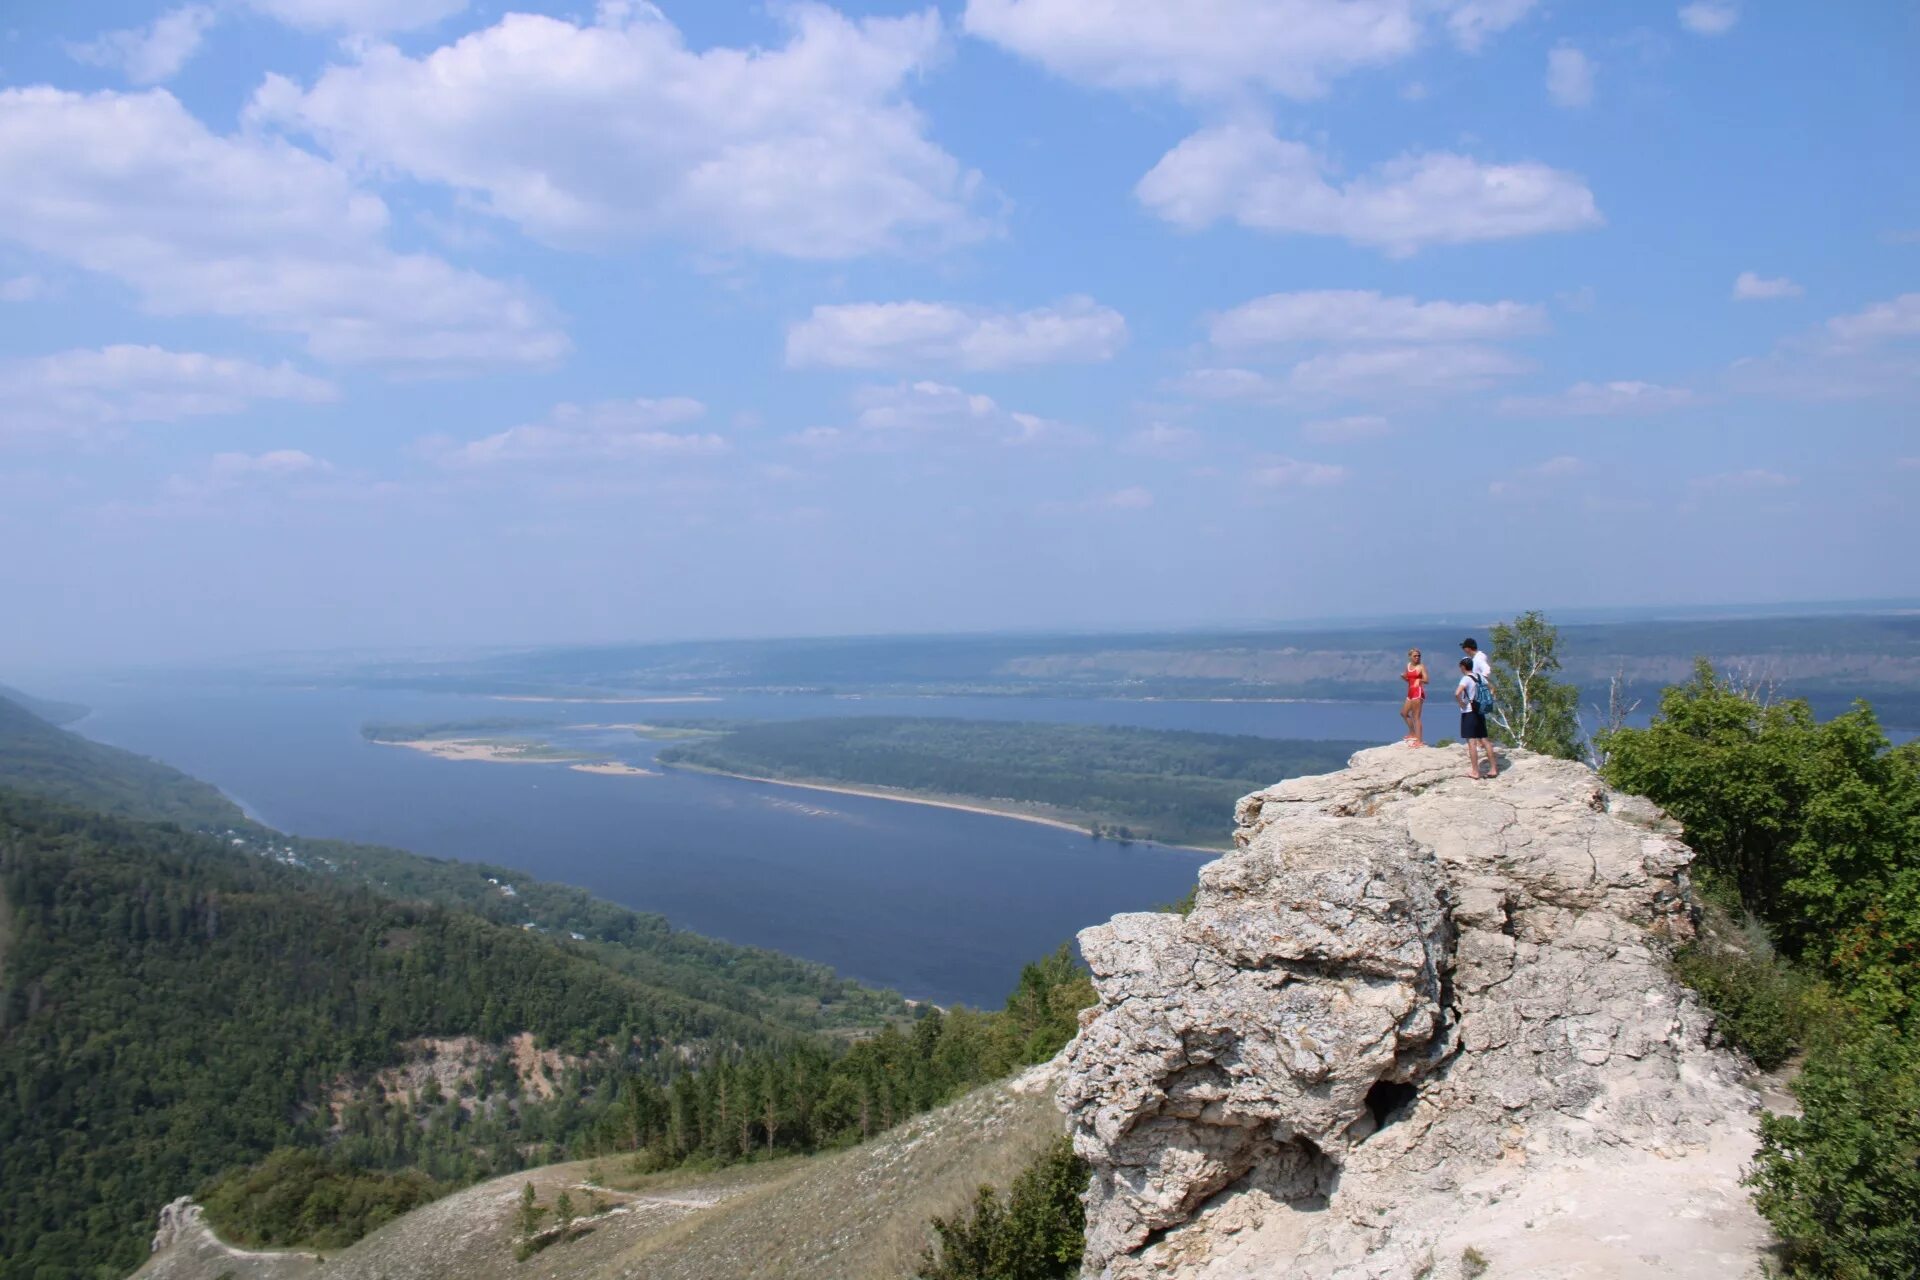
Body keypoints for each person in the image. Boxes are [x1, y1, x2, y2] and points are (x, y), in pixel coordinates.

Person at [1456, 657, 1498, 779]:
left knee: (1471, 742)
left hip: (1469, 712)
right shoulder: (1480, 677)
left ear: (1463, 667)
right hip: (1480, 711)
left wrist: (1460, 703)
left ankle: (1475, 771)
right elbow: (1492, 688)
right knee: (1485, 740)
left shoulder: (1466, 678)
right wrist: (1489, 700)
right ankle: (1493, 768)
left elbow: (1457, 692)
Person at [1399, 648, 1428, 746]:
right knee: (1404, 713)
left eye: (1419, 656)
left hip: (1418, 692)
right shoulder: (1408, 666)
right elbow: (1409, 679)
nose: (1417, 657)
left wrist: (1420, 680)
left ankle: (1419, 741)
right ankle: (1412, 733)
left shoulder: (1421, 667)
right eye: (1415, 656)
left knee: (1416, 717)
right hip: (1410, 692)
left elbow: (1427, 680)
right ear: (1410, 657)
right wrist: (1404, 677)